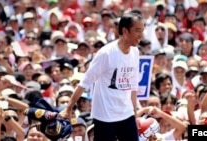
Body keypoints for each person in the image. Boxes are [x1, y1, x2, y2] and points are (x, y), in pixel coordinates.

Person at [59, 13, 144, 141]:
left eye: (142, 31)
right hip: (105, 115)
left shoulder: (135, 52)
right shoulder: (106, 53)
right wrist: (68, 107)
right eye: (137, 31)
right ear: (125, 31)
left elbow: (133, 86)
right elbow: (86, 81)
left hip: (126, 114)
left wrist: (134, 114)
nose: (141, 36)